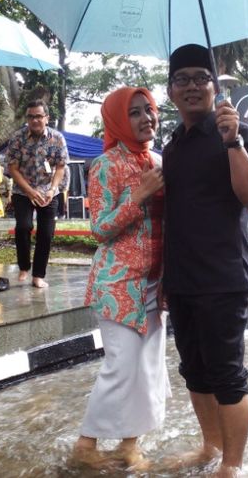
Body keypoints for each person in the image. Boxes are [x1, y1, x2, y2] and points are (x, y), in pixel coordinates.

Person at [162, 44, 248, 476]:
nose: (191, 87)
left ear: (214, 84)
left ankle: (232, 464)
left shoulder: (234, 133)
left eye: (200, 78)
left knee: (226, 374)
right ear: (170, 90)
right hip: (183, 278)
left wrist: (233, 142)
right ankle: (209, 446)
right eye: (181, 79)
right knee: (194, 371)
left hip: (222, 277)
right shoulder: (173, 144)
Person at [72, 87, 169, 471]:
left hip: (154, 283)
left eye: (149, 109)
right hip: (117, 284)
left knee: (148, 368)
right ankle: (85, 445)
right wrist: (139, 195)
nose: (146, 117)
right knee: (121, 366)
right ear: (116, 120)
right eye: (134, 113)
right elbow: (99, 228)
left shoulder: (160, 162)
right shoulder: (105, 165)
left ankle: (130, 444)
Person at [5, 100, 68, 288]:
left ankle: (38, 275)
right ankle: (24, 266)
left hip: (49, 191)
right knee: (23, 226)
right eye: (31, 116)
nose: (34, 120)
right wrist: (30, 191)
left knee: (46, 233)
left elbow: (60, 167)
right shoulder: (18, 138)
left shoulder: (57, 138)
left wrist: (51, 190)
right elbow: (13, 168)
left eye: (38, 116)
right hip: (23, 191)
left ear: (46, 118)